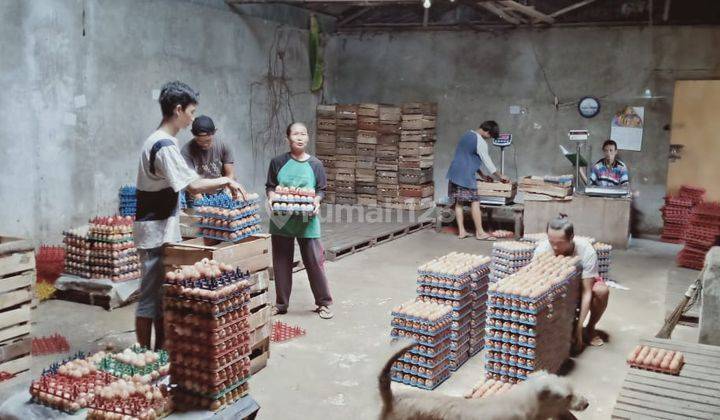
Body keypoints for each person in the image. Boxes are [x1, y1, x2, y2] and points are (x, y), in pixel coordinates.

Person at [134, 81, 245, 350]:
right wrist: (226, 182)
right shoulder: (164, 146)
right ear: (178, 109)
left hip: (161, 227)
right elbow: (192, 185)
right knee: (150, 297)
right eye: (191, 112)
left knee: (161, 295)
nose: (192, 119)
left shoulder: (163, 141)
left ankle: (160, 352)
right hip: (154, 230)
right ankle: (146, 357)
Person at [265, 122, 333, 319]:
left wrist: (317, 201)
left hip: (307, 219)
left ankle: (324, 303)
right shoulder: (277, 162)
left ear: (308, 138)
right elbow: (270, 185)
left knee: (315, 261)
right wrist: (271, 197)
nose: (300, 137)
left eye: (303, 134)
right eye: (296, 134)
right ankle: (281, 304)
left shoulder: (315, 164)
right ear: (288, 139)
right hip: (282, 219)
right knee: (281, 262)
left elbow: (321, 189)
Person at [533, 215, 610, 352]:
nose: (555, 247)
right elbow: (537, 284)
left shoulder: (586, 251)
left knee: (601, 291)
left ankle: (590, 329)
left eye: (560, 243)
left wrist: (579, 331)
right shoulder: (542, 250)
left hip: (581, 285)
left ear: (571, 237)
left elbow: (587, 292)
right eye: (552, 242)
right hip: (556, 286)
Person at [446, 120, 510, 240]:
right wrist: (500, 176)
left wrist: (481, 175)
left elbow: (467, 157)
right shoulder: (480, 141)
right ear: (487, 131)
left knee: (459, 203)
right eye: (490, 136)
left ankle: (462, 232)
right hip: (465, 176)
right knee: (475, 202)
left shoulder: (467, 135)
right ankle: (480, 233)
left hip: (454, 173)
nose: (489, 139)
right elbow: (488, 162)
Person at [181, 115, 236, 199]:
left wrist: (226, 192)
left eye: (208, 140)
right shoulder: (186, 152)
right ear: (194, 135)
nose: (205, 144)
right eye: (199, 141)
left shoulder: (223, 145)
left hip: (220, 190)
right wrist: (203, 204)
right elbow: (190, 184)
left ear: (215, 132)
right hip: (196, 191)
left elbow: (230, 174)